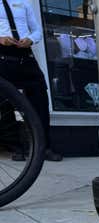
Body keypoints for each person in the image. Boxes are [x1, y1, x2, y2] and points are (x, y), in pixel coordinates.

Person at [0, 0, 62, 161]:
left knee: (40, 100)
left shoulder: (23, 2)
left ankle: (44, 148)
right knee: (5, 105)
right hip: (2, 56)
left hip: (25, 55)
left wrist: (30, 39)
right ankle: (17, 148)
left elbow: (37, 31)